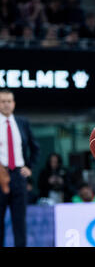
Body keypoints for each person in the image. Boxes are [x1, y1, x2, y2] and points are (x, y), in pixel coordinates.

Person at [0, 89, 40, 247]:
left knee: (19, 222)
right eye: (2, 101)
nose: (6, 104)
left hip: (18, 176)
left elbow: (35, 148)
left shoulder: (22, 123)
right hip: (0, 175)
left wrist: (29, 167)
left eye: (9, 101)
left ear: (14, 104)